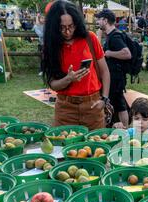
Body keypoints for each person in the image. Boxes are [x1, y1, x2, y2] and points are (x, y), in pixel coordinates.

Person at [42, 0, 110, 129]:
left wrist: (104, 99)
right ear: (54, 26)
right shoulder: (51, 46)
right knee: (63, 148)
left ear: (77, 23)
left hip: (93, 105)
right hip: (66, 109)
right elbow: (53, 84)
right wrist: (69, 79)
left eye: (71, 26)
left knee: (96, 147)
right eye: (62, 27)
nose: (67, 31)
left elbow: (105, 71)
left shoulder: (90, 38)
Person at [96, 9, 131, 128]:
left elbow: (127, 54)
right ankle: (123, 128)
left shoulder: (115, 36)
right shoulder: (110, 35)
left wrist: (110, 53)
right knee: (119, 103)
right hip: (114, 76)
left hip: (115, 77)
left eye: (99, 19)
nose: (97, 21)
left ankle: (121, 128)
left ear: (105, 20)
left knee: (115, 103)